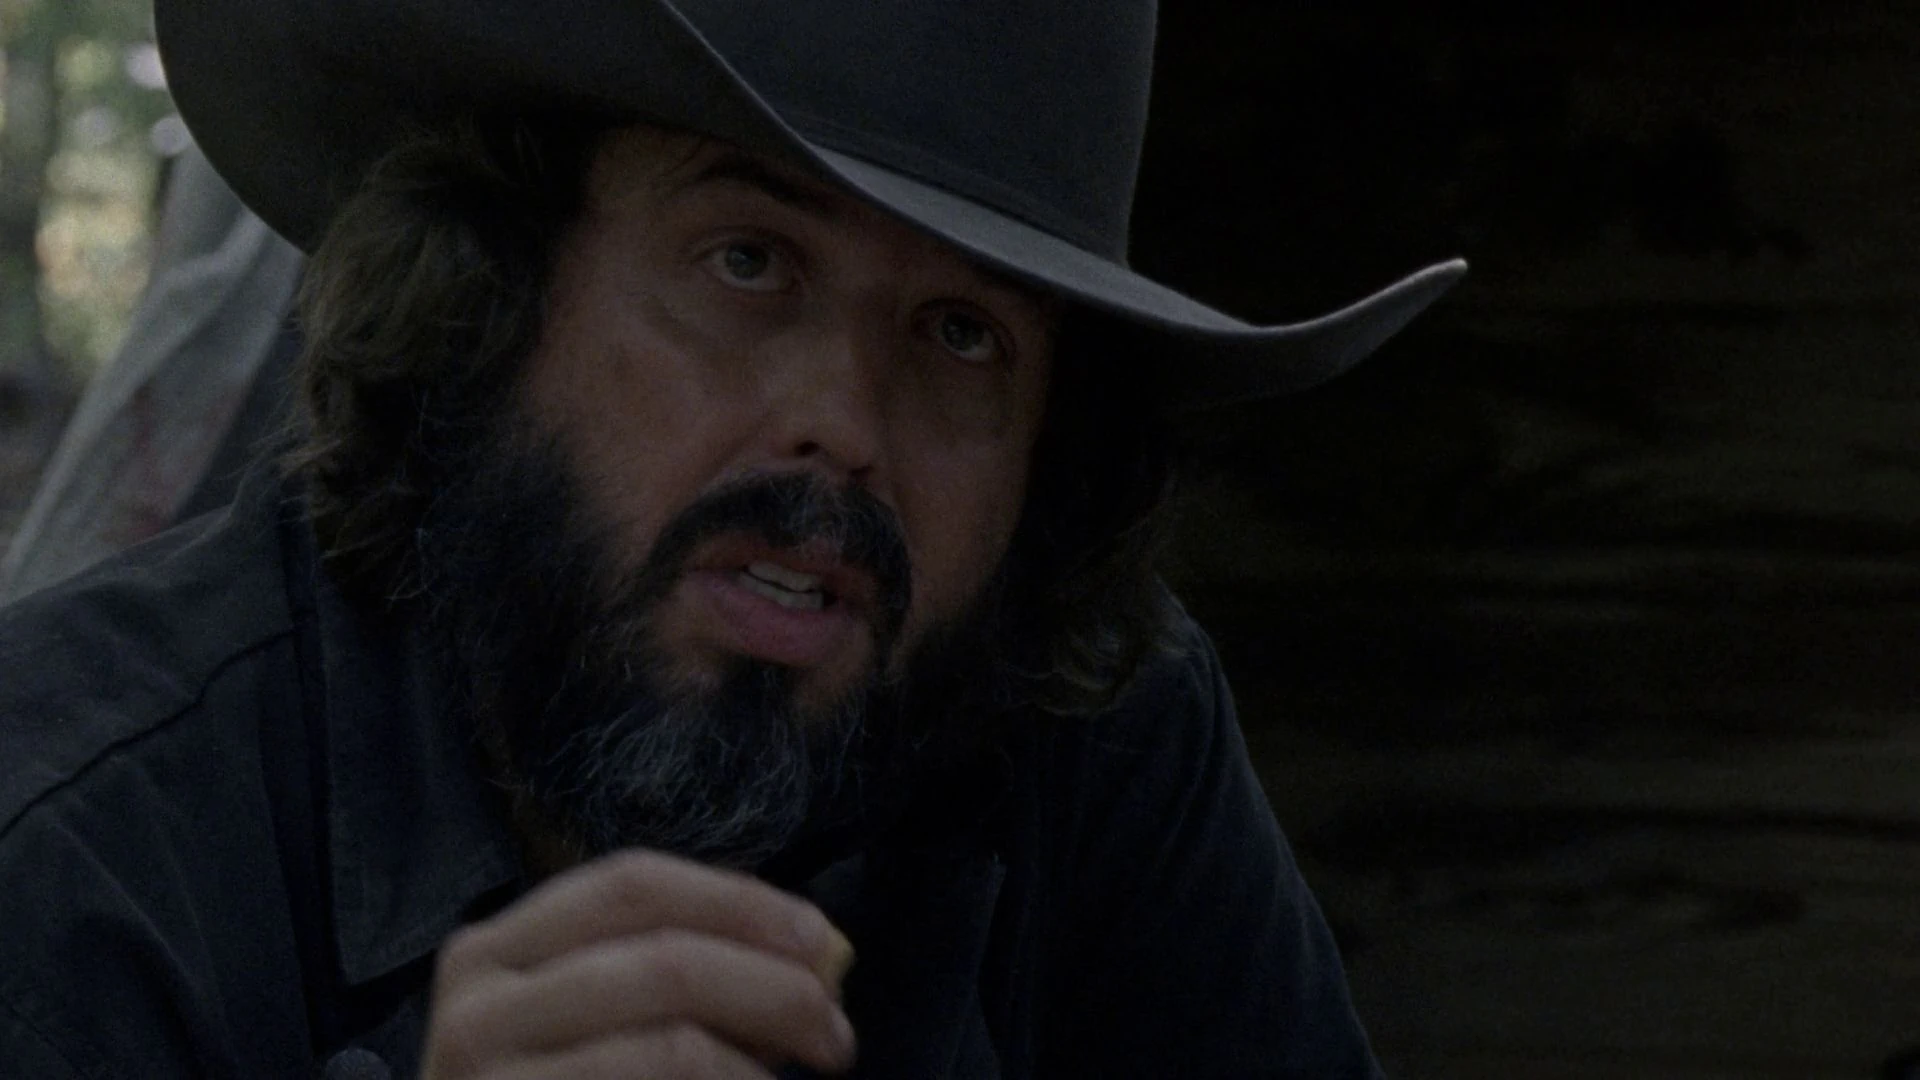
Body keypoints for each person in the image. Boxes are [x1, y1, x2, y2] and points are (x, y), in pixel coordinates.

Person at [0, 0, 1465, 1076]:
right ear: (491, 295)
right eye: (749, 262)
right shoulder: (73, 834)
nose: (845, 425)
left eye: (962, 335)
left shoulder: (1091, 735)